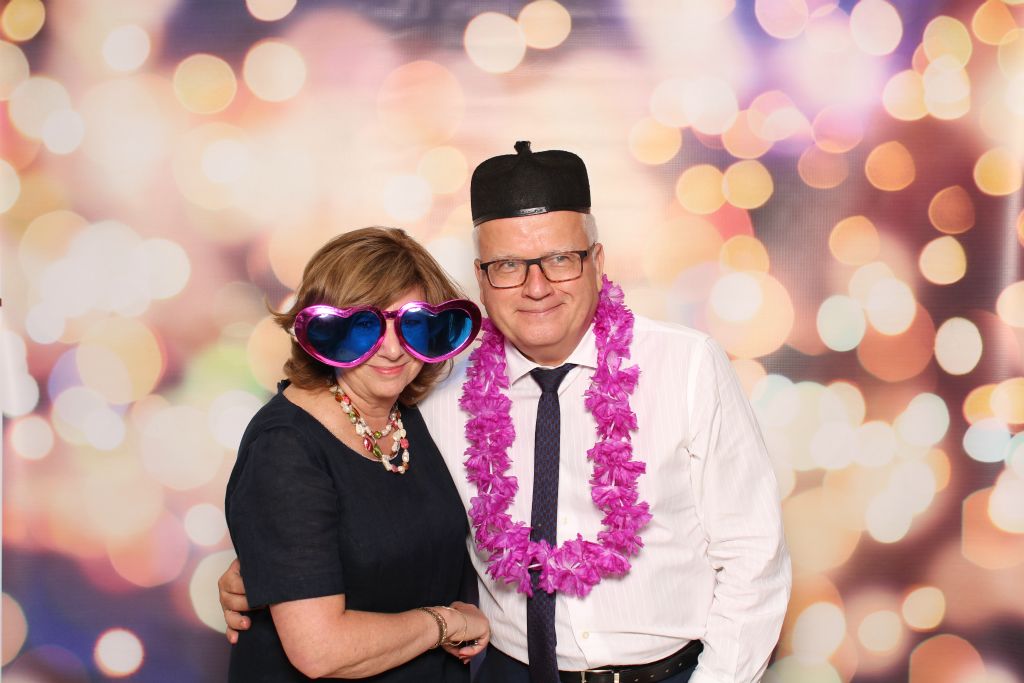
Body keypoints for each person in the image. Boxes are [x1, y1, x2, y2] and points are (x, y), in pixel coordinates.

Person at [222, 144, 790, 683]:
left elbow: (752, 556)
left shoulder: (686, 366)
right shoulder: (438, 384)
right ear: (482, 277)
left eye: (560, 259)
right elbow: (356, 501)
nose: (536, 287)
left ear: (597, 262)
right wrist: (270, 569)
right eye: (509, 265)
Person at [224, 227, 490, 682]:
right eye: (366, 326)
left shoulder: (415, 415)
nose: (392, 349)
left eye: (411, 323)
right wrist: (445, 623)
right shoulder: (284, 447)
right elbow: (319, 651)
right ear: (325, 330)